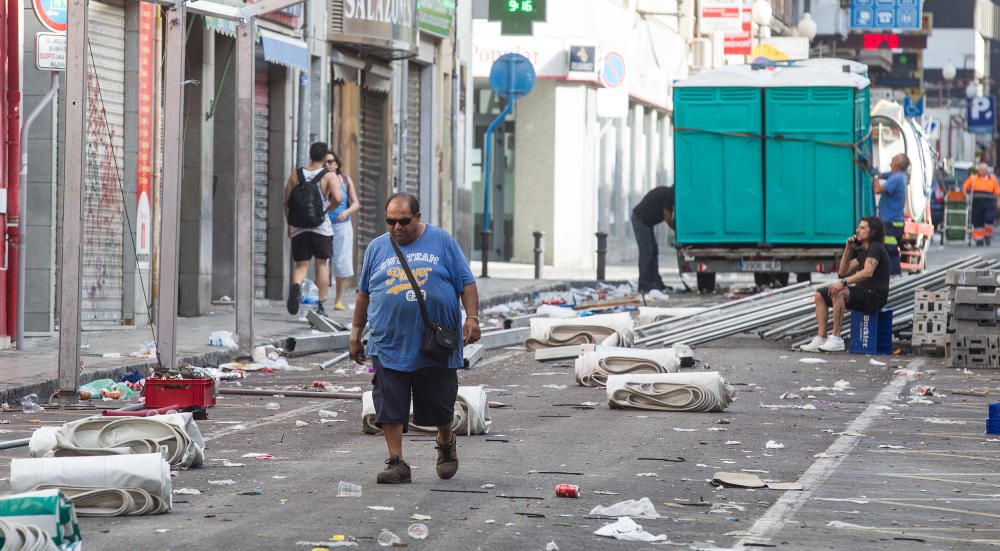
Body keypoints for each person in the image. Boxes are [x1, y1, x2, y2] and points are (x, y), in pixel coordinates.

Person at [348, 192, 481, 484]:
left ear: (418, 218)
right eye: (391, 222)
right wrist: (356, 335)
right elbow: (363, 295)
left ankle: (445, 443)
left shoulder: (443, 241)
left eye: (403, 221)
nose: (397, 228)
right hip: (388, 342)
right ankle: (397, 462)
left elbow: (466, 283)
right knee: (389, 404)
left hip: (434, 344)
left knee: (440, 405)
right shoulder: (376, 248)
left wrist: (472, 318)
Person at [801, 217, 890, 353]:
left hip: (875, 296)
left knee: (839, 291)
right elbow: (843, 271)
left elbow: (868, 272)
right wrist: (848, 249)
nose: (857, 230)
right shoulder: (865, 252)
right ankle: (821, 337)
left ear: (872, 232)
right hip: (863, 293)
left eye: (862, 228)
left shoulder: (876, 248)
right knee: (820, 294)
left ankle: (836, 339)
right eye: (858, 227)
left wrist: (843, 283)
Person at [283, 142, 341, 316]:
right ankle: (320, 303)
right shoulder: (329, 176)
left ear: (310, 155)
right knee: (322, 264)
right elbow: (338, 198)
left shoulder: (296, 174)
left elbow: (286, 202)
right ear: (325, 158)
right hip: (320, 226)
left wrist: (289, 224)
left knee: (301, 264)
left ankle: (295, 286)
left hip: (299, 227)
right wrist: (327, 209)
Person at [326, 151, 360, 311]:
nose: (328, 165)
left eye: (331, 161)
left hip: (342, 225)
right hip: (324, 224)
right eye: (325, 162)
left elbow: (355, 203)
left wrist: (345, 213)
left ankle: (338, 299)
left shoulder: (346, 181)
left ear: (337, 164)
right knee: (322, 261)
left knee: (341, 262)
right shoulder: (321, 180)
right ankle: (322, 296)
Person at [631, 186, 675, 294]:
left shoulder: (669, 192)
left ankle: (656, 282)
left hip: (646, 222)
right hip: (640, 219)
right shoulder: (670, 194)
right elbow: (667, 216)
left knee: (654, 251)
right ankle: (644, 284)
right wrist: (677, 230)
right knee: (647, 252)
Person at [873, 153, 908, 275]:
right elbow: (885, 174)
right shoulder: (899, 176)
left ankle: (894, 280)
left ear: (897, 162)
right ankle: (892, 278)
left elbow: (877, 189)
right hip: (893, 223)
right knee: (889, 251)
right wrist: (875, 171)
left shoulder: (897, 178)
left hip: (891, 224)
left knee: (890, 252)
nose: (892, 157)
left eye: (895, 157)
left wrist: (875, 176)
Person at [962, 163, 1000, 246]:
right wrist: (966, 196)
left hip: (989, 204)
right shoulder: (973, 178)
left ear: (987, 171)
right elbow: (964, 187)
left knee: (989, 218)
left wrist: (998, 202)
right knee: (977, 221)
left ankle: (987, 235)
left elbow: (997, 192)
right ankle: (979, 239)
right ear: (979, 171)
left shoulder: (992, 179)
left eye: (984, 170)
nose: (982, 171)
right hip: (977, 203)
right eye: (981, 170)